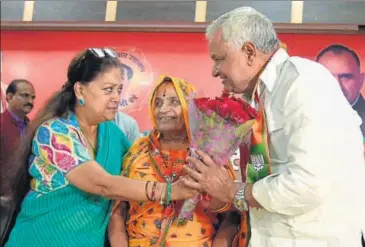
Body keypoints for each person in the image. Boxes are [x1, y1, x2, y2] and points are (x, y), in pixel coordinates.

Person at [182, 7, 365, 247]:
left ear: (249, 52)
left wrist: (231, 190)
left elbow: (307, 185)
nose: (215, 71)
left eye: (219, 59)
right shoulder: (260, 96)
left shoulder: (303, 82)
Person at [4, 49, 197, 247]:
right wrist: (173, 191)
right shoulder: (54, 133)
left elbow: (133, 178)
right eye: (108, 89)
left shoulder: (114, 134)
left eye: (119, 90)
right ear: (80, 91)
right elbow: (104, 185)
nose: (116, 97)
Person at [108, 75, 235, 247]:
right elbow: (118, 210)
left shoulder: (209, 153)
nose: (162, 110)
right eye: (158, 103)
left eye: (174, 102)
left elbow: (231, 216)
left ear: (191, 108)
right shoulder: (138, 151)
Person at [316, 44, 365, 137]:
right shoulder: (296, 118)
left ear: (361, 80)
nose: (337, 86)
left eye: (345, 77)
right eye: (327, 77)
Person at [0, 79, 35, 195]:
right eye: (24, 96)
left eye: (32, 97)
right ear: (9, 97)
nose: (30, 101)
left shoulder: (33, 127)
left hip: (25, 193)